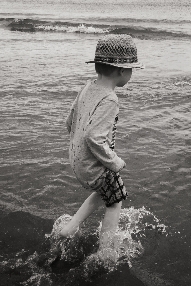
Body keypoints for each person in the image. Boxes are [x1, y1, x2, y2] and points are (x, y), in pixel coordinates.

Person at [55, 34, 144, 251]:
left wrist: (79, 152)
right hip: (94, 165)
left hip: (77, 160)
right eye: (131, 69)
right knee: (116, 200)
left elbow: (70, 121)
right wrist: (114, 162)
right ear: (121, 71)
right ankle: (106, 251)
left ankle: (69, 229)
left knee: (104, 191)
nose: (131, 74)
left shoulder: (87, 88)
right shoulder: (110, 99)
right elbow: (94, 138)